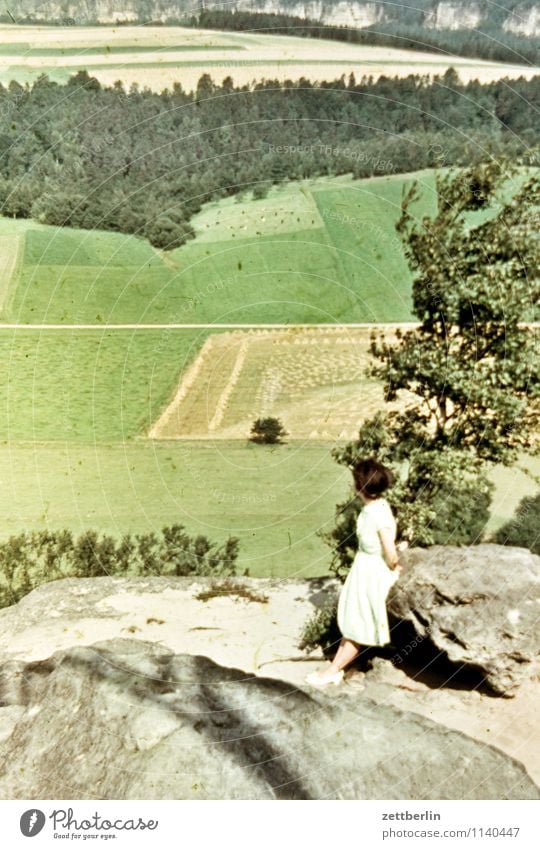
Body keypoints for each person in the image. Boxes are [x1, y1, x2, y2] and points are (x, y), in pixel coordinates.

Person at [306, 457, 402, 688]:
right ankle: (335, 668)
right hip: (365, 569)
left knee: (357, 624)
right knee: (354, 622)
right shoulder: (378, 507)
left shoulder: (374, 513)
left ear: (360, 486)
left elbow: (389, 551)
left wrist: (395, 565)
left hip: (371, 573)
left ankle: (333, 670)